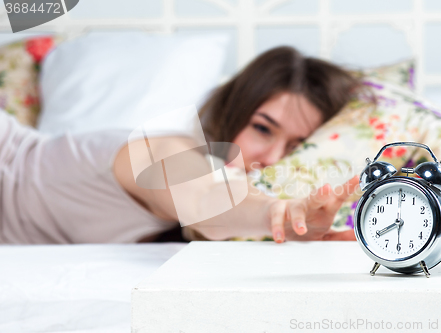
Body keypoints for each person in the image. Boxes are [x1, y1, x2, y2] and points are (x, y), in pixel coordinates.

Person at [0, 46, 362, 245]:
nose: (271, 158)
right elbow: (205, 196)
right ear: (233, 110)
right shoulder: (164, 147)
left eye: (297, 145)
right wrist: (276, 213)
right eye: (263, 129)